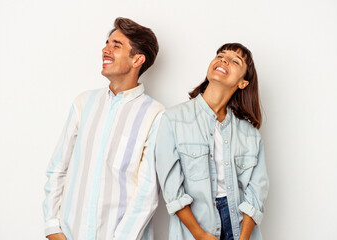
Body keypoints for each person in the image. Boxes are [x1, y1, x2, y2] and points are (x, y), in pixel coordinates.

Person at [43, 17, 164, 240]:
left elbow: (147, 193)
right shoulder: (83, 103)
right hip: (70, 234)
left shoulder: (155, 114)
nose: (105, 50)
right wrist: (53, 227)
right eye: (107, 43)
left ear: (137, 59)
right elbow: (58, 168)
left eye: (116, 46)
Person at [155, 43, 269, 240]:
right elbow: (172, 190)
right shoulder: (173, 119)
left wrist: (243, 238)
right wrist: (200, 235)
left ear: (243, 83)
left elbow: (256, 192)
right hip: (196, 228)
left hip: (239, 227)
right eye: (221, 55)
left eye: (235, 61)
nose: (224, 60)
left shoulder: (250, 133)